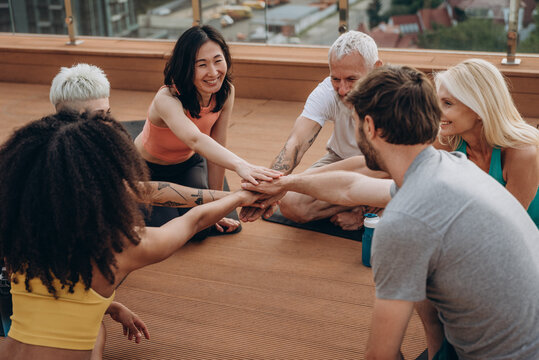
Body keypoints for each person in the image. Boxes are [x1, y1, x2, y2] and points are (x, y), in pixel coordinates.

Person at [244, 65, 539, 359]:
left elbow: (380, 355)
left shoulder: (402, 224)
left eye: (356, 123)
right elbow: (351, 186)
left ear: (369, 127)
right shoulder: (451, 165)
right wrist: (284, 183)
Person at [0, 111, 261, 360]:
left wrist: (109, 306)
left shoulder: (18, 236)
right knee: (94, 331)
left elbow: (55, 298)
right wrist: (240, 197)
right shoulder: (119, 247)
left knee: (96, 326)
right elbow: (194, 221)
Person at [50, 62, 239, 233]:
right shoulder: (60, 157)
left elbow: (152, 191)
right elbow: (148, 195)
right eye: (100, 115)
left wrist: (225, 199)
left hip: (141, 187)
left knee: (200, 227)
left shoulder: (106, 142)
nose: (108, 121)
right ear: (72, 118)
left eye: (108, 112)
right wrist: (231, 198)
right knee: (172, 227)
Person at [133, 25, 280, 229]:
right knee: (167, 226)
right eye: (201, 65)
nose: (213, 72)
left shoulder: (226, 92)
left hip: (188, 163)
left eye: (218, 61)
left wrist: (217, 209)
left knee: (201, 228)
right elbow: (195, 139)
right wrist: (241, 166)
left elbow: (217, 143)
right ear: (186, 67)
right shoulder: (166, 98)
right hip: (148, 169)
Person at [240, 30, 385, 229]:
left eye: (352, 79)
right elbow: (296, 143)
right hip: (340, 160)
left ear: (376, 69)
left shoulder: (395, 95)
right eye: (336, 79)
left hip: (382, 169)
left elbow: (396, 166)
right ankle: (367, 204)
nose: (342, 90)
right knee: (291, 205)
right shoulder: (327, 91)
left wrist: (288, 184)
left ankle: (365, 211)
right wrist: (267, 189)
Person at [434, 58, 539, 227]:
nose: (436, 111)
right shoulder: (445, 141)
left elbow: (506, 226)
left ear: (478, 109)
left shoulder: (521, 152)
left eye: (447, 103)